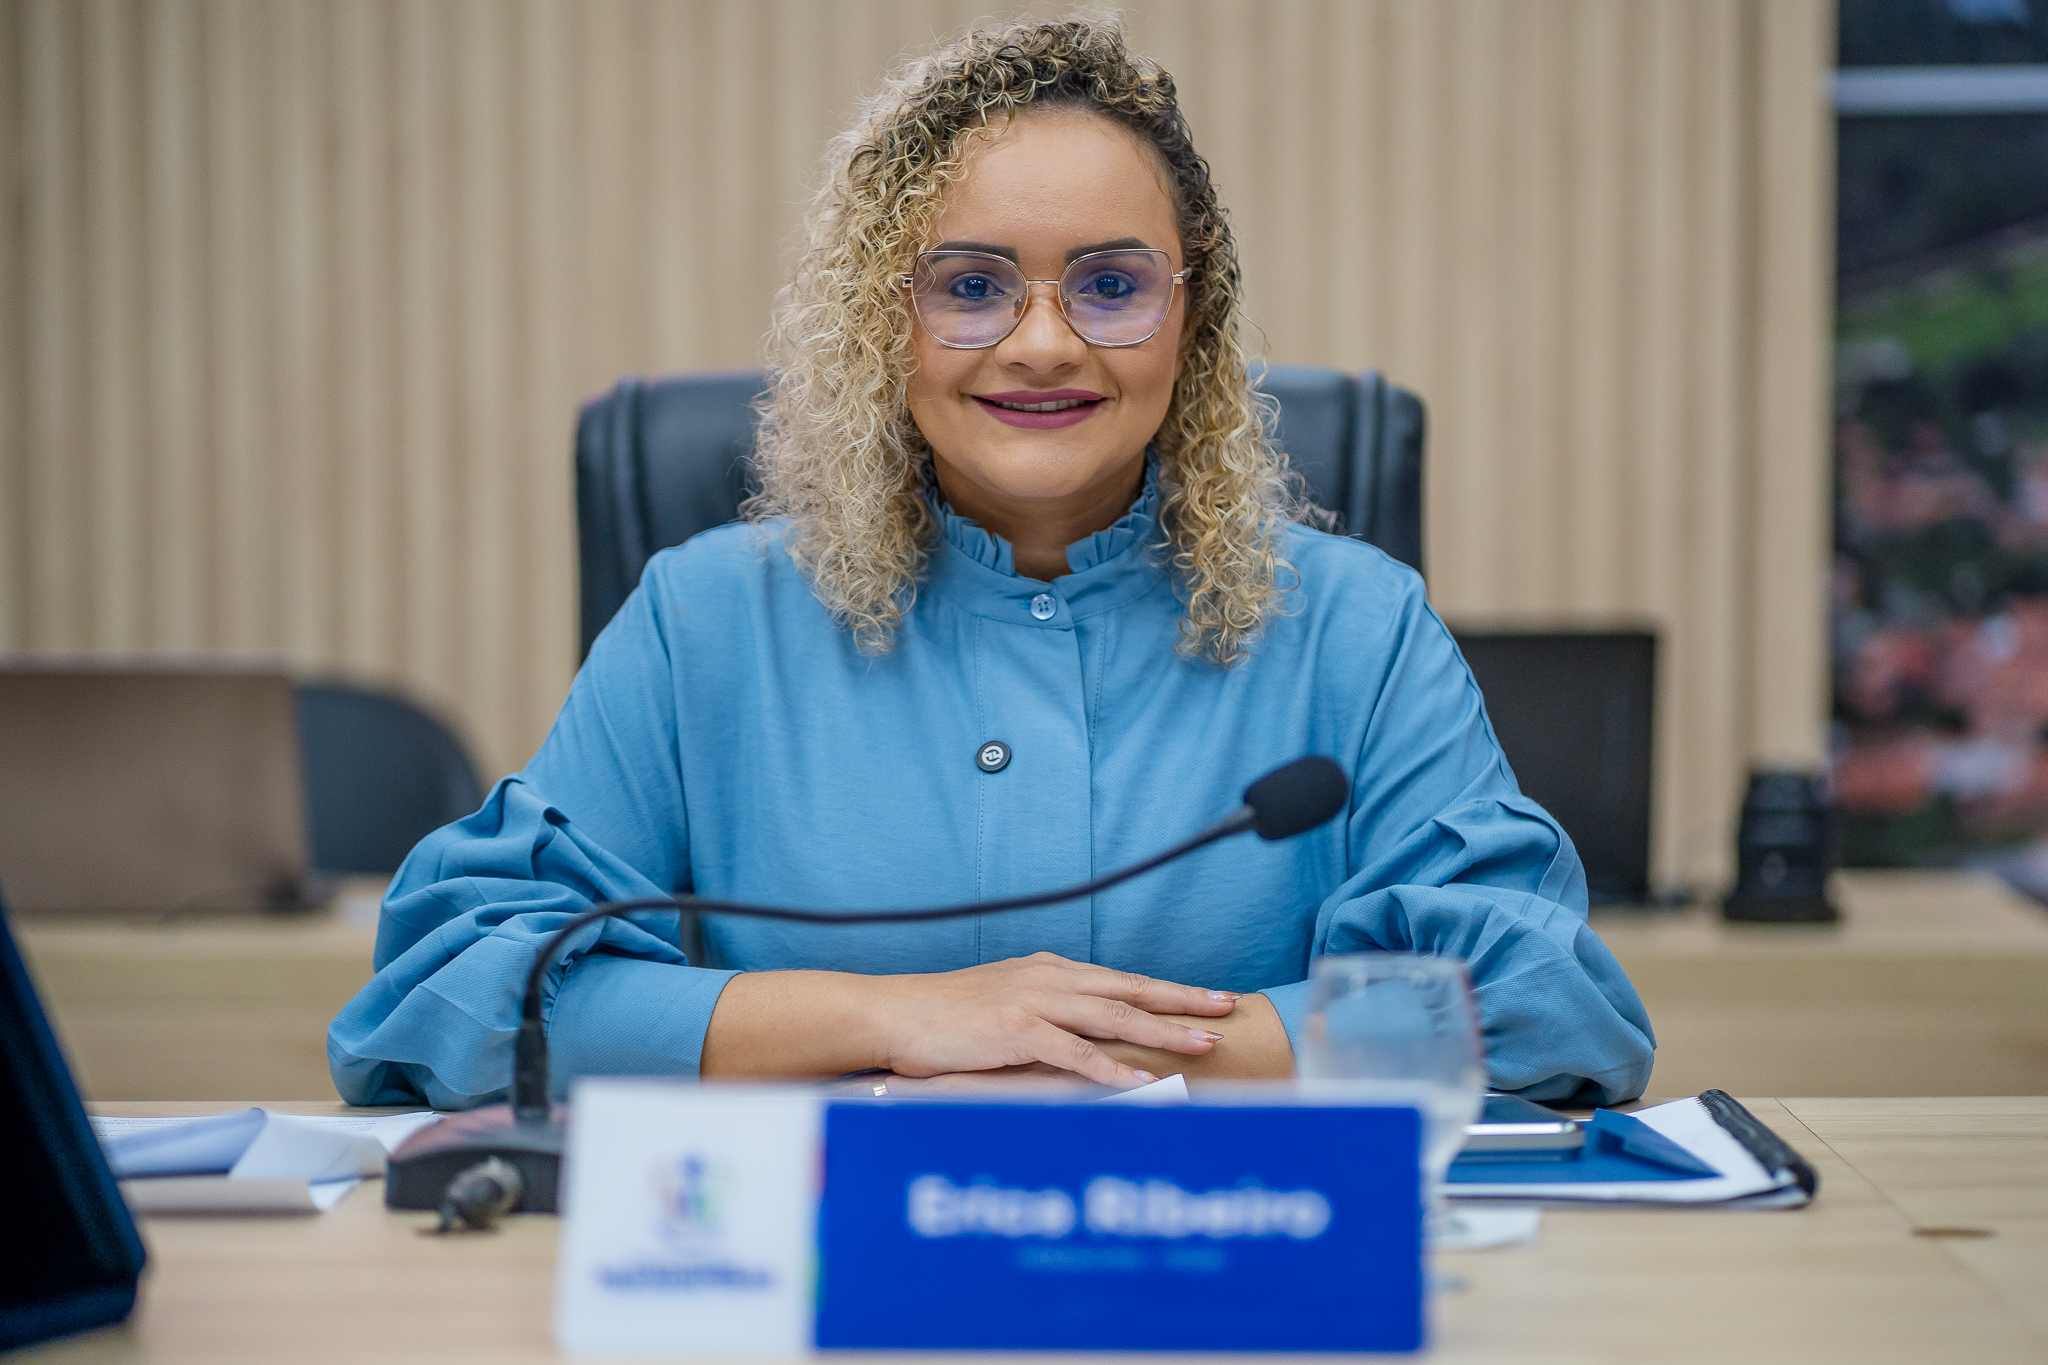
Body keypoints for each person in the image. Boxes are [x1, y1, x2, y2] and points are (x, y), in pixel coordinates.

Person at [328, 19, 1654, 1110]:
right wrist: (897, 1020)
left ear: (1190, 322)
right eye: (970, 286)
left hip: (1226, 1262)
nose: (1043, 343)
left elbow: (1543, 1001)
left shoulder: (1355, 626)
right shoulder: (706, 621)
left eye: (1111, 285)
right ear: (883, 322)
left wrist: (1097, 1053)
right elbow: (453, 987)